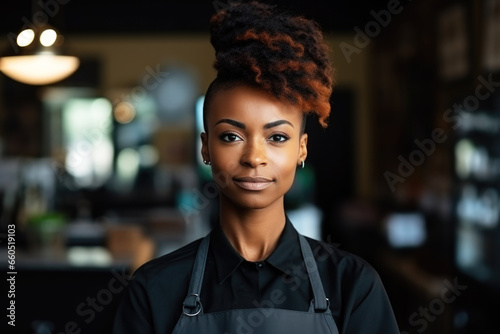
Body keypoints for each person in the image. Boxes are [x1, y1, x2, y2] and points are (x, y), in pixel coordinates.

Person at [113, 2, 400, 333]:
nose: (254, 157)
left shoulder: (353, 286)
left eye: (277, 137)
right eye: (231, 136)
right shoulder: (154, 289)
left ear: (301, 150)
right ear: (206, 148)